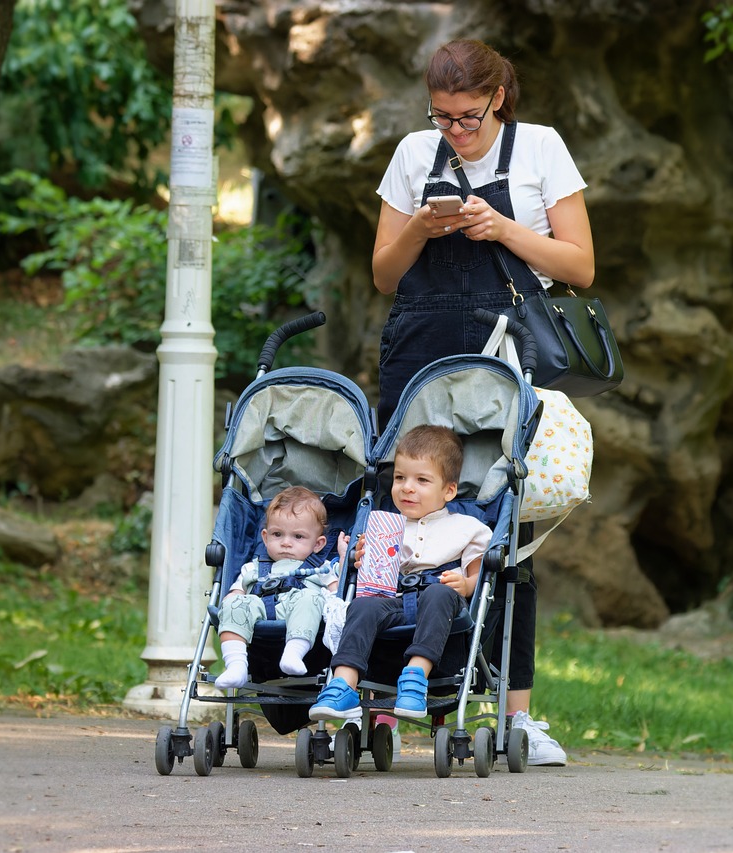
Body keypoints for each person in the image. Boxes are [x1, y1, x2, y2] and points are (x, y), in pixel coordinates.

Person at [368, 38, 592, 765]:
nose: (455, 132)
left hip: (504, 355)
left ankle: (515, 714)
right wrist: (420, 228)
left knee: (504, 526)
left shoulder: (541, 148)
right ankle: (367, 692)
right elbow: (382, 272)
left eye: (468, 116)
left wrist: (501, 228)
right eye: (442, 118)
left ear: (498, 98)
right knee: (388, 509)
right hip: (420, 349)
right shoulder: (411, 154)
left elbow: (581, 266)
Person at [308, 425, 492, 720]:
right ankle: (342, 683)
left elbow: (478, 577)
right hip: (392, 597)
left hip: (439, 602)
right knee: (363, 605)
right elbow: (368, 576)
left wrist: (466, 584)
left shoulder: (467, 528)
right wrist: (361, 558)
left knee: (438, 593)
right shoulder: (384, 524)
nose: (407, 487)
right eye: (399, 478)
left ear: (449, 490)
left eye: (421, 480)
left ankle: (415, 678)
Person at [213, 486, 345, 689]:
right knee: (234, 603)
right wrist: (232, 599)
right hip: (258, 610)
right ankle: (236, 665)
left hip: (299, 612)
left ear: (318, 544)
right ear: (265, 537)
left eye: (298, 537)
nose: (286, 543)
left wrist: (344, 561)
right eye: (277, 534)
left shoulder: (321, 570)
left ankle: (293, 652)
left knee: (311, 597)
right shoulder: (253, 567)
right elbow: (237, 590)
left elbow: (338, 596)